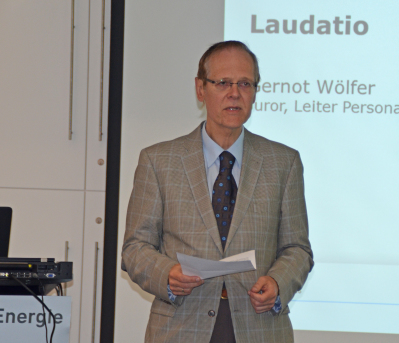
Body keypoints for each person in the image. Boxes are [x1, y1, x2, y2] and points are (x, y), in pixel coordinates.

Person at [122, 40, 313, 343]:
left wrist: (278, 282)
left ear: (254, 91)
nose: (234, 93)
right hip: (180, 327)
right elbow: (135, 248)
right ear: (201, 89)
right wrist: (167, 274)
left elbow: (297, 249)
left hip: (259, 327)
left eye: (245, 84)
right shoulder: (158, 161)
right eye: (223, 82)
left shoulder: (283, 163)